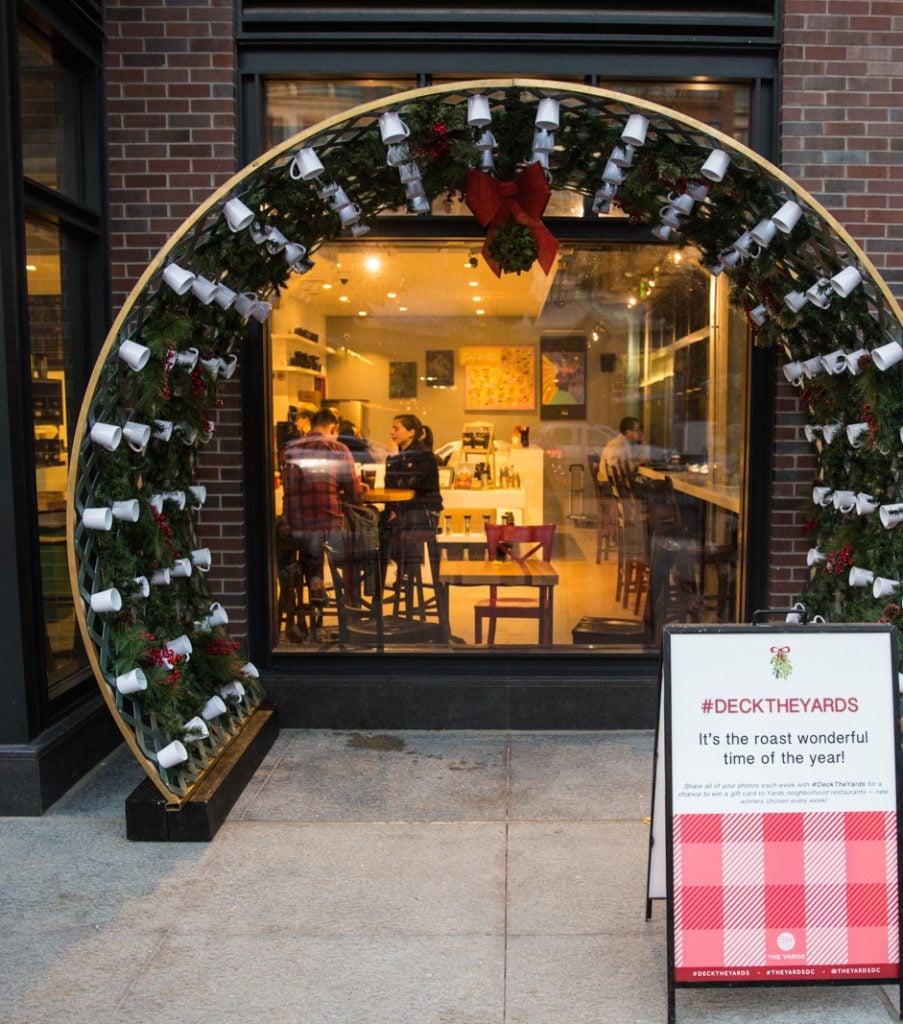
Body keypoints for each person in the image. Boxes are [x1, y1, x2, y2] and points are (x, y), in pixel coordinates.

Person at [280, 407, 368, 618]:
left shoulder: (288, 449)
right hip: (328, 531)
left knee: (312, 546)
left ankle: (311, 593)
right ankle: (351, 608)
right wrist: (363, 488)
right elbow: (355, 495)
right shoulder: (337, 448)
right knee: (359, 539)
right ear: (334, 427)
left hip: (291, 529)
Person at [382, 414, 442, 572]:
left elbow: (411, 484)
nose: (391, 432)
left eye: (396, 428)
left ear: (411, 433)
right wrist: (392, 510)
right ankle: (377, 586)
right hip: (405, 511)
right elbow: (390, 485)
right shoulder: (398, 456)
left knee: (388, 530)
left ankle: (407, 574)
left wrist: (396, 458)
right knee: (373, 526)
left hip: (425, 513)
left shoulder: (425, 455)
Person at [599, 416, 646, 481]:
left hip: (615, 484)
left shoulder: (624, 443)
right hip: (613, 487)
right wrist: (637, 463)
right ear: (628, 432)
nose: (640, 433)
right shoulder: (617, 445)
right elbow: (616, 470)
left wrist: (643, 441)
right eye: (637, 430)